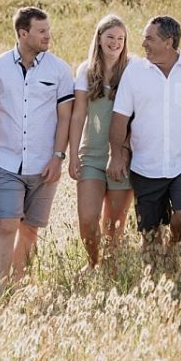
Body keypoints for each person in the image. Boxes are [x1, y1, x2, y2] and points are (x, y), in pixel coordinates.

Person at [107, 16, 181, 270]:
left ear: (168, 42)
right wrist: (115, 154)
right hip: (145, 165)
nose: (143, 43)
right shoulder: (135, 71)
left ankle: (173, 248)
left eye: (150, 38)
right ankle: (157, 278)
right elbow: (120, 118)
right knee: (149, 236)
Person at [0, 7, 74, 291]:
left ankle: (18, 287)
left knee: (30, 229)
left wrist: (58, 157)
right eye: (41, 31)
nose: (48, 35)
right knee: (7, 224)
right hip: (7, 162)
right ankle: (0, 290)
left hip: (45, 164)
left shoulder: (59, 70)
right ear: (23, 33)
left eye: (48, 29)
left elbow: (66, 117)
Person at [68, 14, 134, 269]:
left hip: (121, 156)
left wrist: (124, 152)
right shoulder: (86, 70)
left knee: (114, 223)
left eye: (120, 38)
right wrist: (72, 156)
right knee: (87, 218)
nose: (115, 43)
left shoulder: (132, 69)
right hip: (91, 156)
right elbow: (77, 116)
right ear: (99, 38)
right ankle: (93, 263)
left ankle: (110, 267)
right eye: (110, 37)